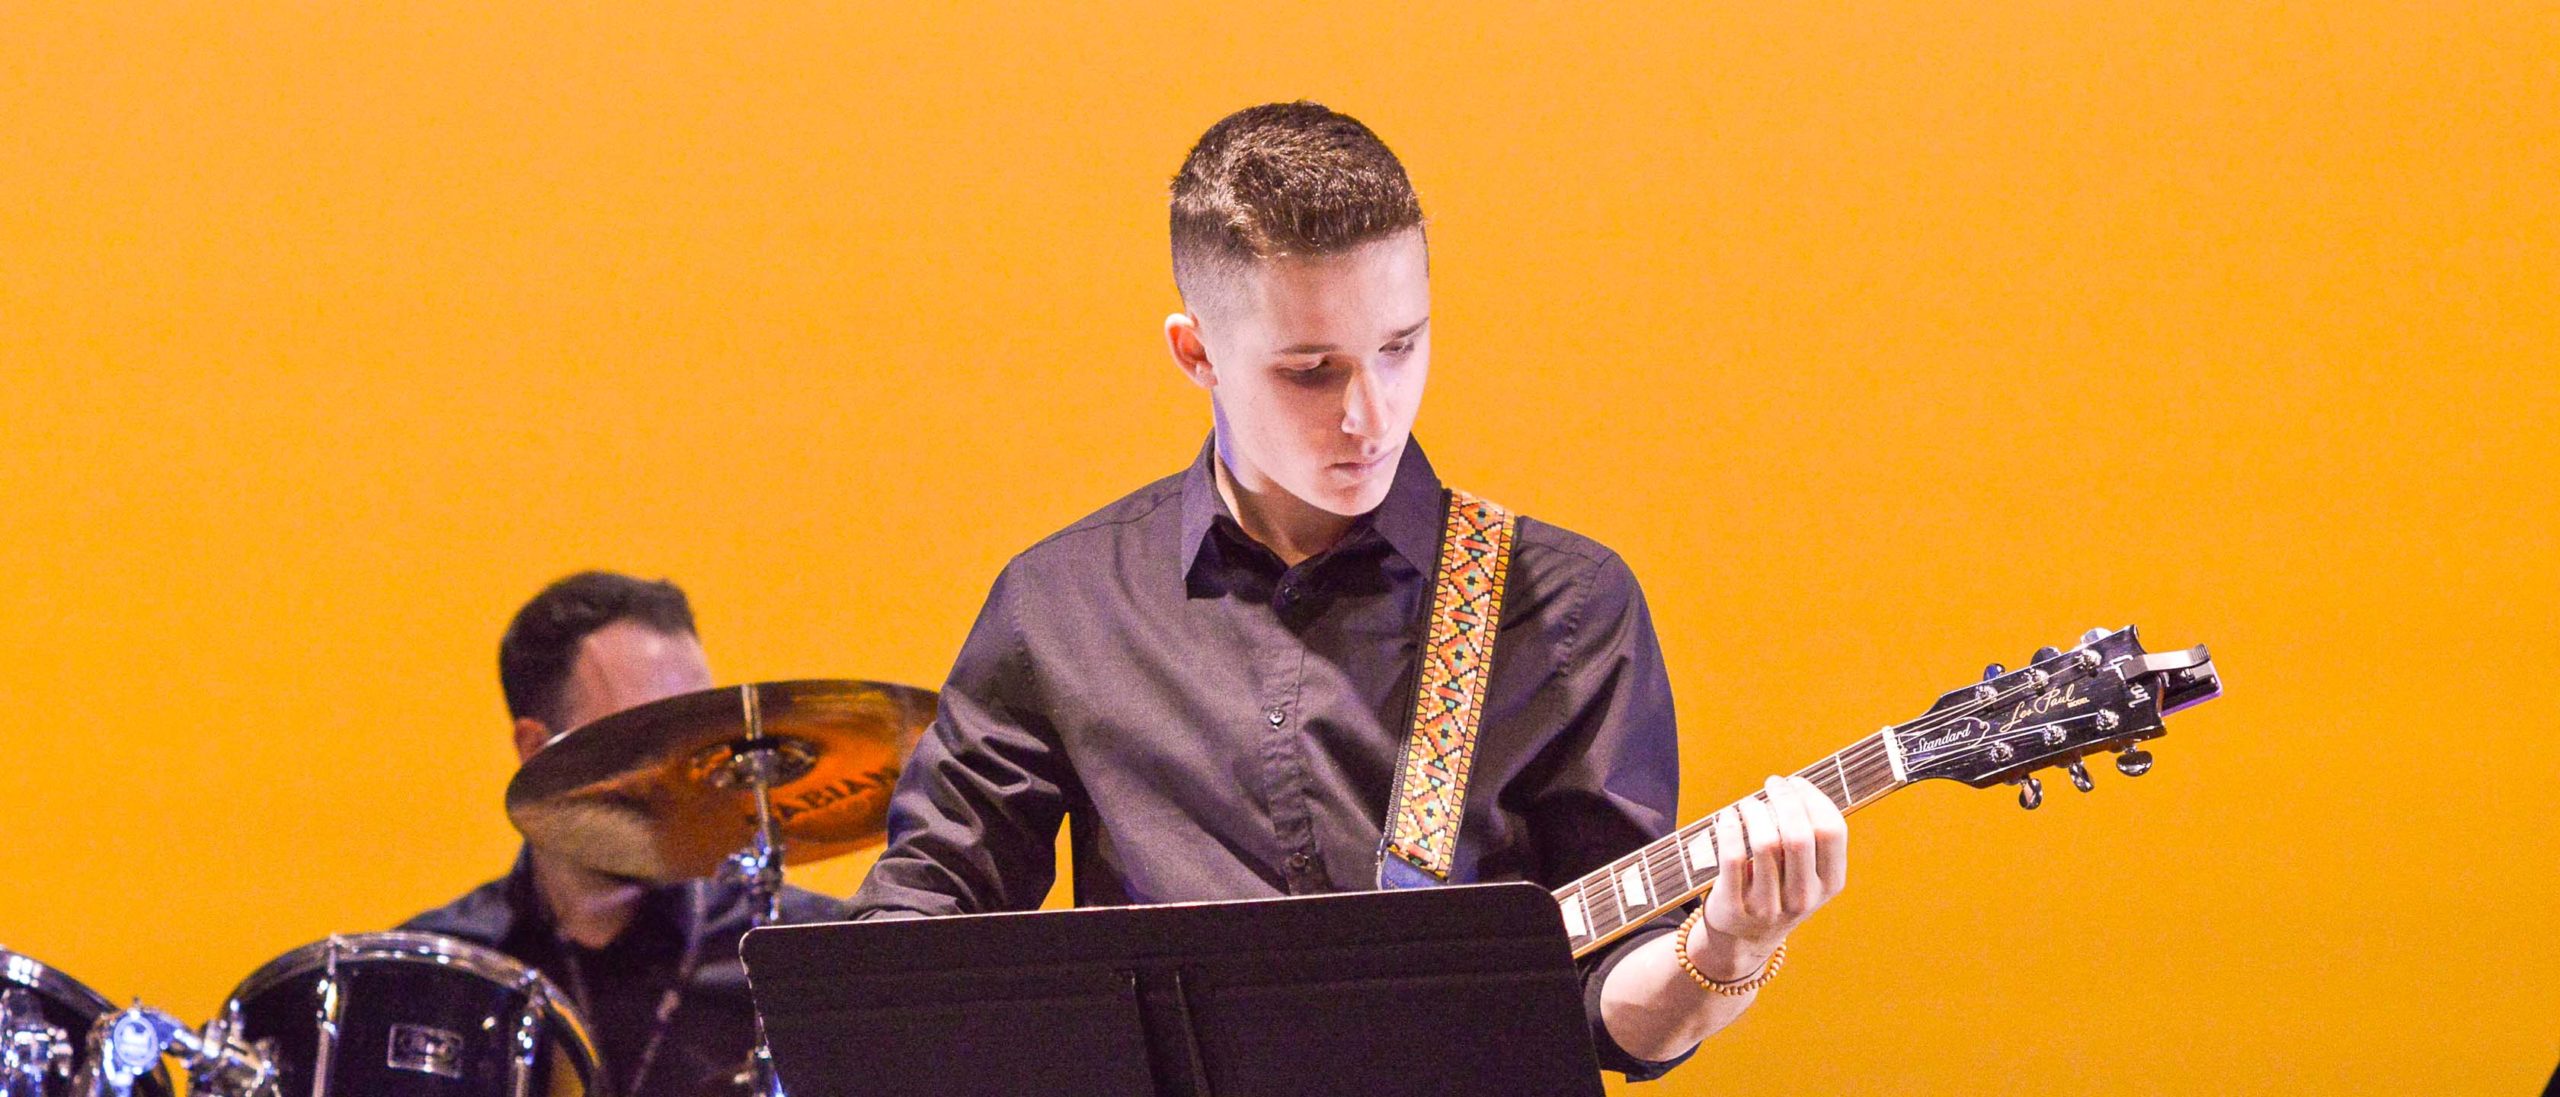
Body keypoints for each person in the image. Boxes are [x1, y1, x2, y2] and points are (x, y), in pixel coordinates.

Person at [850, 102, 1849, 1080]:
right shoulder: (1059, 604)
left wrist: (1724, 947)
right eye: (1311, 371)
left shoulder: (1565, 605)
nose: (1369, 414)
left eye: (1400, 345)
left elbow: (1605, 1011)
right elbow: (924, 918)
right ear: (1194, 351)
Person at [406, 571, 846, 1097]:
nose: (687, 773)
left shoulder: (807, 960)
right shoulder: (432, 978)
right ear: (535, 750)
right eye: (645, 737)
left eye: (699, 735)